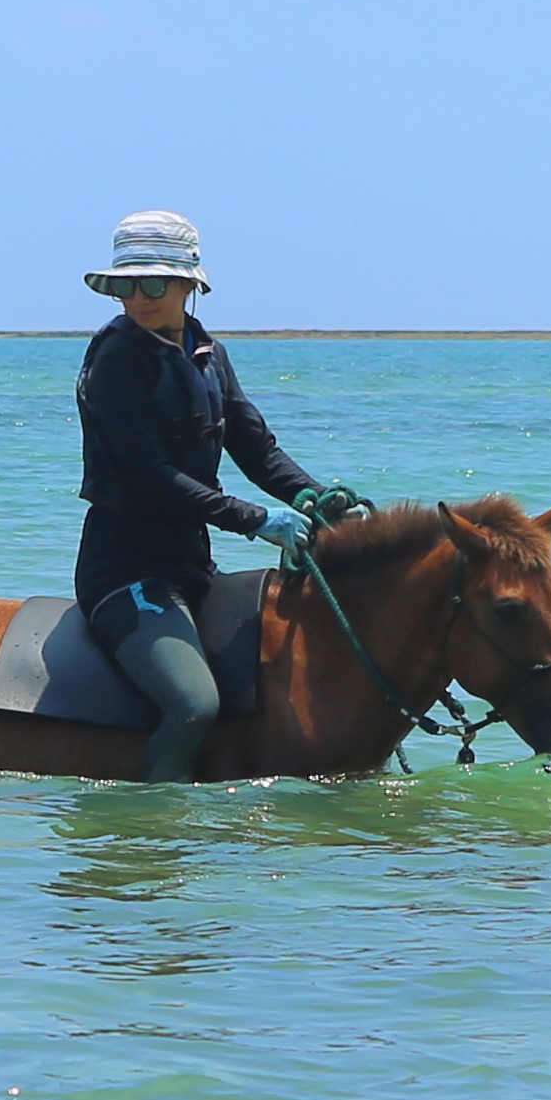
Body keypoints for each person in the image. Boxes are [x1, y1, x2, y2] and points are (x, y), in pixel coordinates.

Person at [71, 211, 370, 783]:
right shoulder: (117, 360)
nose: (137, 298)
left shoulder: (208, 354)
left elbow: (255, 448)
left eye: (153, 283)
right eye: (124, 286)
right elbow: (150, 477)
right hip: (126, 573)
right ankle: (153, 835)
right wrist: (256, 520)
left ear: (190, 285)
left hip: (192, 567)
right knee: (194, 706)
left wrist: (312, 494)